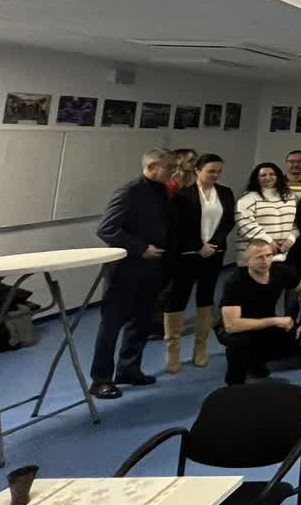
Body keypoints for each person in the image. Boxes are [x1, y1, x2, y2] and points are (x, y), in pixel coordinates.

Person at [89, 148, 174, 399]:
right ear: (152, 167)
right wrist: (141, 248)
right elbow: (106, 229)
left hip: (152, 269)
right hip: (125, 270)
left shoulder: (162, 191)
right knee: (112, 324)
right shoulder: (128, 192)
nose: (174, 171)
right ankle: (100, 379)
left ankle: (128, 369)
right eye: (169, 167)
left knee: (142, 322)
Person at [165, 153, 235, 373]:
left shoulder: (225, 192)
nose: (215, 175)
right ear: (197, 170)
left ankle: (201, 347)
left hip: (214, 253)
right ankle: (173, 349)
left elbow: (228, 221)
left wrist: (213, 244)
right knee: (178, 297)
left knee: (206, 297)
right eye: (210, 171)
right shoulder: (183, 195)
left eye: (218, 171)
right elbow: (179, 226)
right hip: (187, 254)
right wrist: (198, 246)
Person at [218, 240, 301, 385]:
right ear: (247, 261)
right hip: (234, 329)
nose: (265, 261)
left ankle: (256, 360)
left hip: (264, 321)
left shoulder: (280, 271)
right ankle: (235, 381)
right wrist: (275, 321)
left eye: (268, 256)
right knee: (239, 343)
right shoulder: (235, 282)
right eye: (259, 257)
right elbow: (232, 325)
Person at [235, 162, 298, 264]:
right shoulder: (247, 198)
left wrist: (291, 238)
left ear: (278, 176)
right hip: (255, 257)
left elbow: (297, 222)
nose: (268, 177)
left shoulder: (290, 196)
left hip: (284, 255)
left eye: (272, 174)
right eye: (263, 175)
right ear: (256, 178)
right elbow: (244, 224)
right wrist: (268, 241)